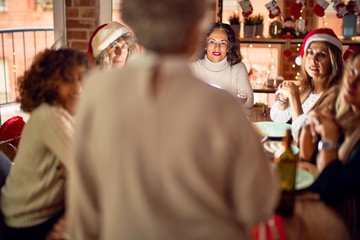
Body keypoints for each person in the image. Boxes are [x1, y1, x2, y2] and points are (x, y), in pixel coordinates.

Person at [68, 0, 279, 239]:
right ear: (196, 33)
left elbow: (84, 203)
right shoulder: (221, 105)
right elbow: (258, 204)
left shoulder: (96, 93)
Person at [0, 48, 92, 240]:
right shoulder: (50, 115)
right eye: (67, 79)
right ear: (48, 85)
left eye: (81, 78)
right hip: (28, 219)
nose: (78, 87)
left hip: (45, 209)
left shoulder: (69, 115)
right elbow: (92, 171)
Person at [299, 51, 360, 239]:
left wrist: (329, 139)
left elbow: (331, 190)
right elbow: (308, 158)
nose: (352, 82)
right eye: (352, 72)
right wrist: (309, 128)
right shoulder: (347, 118)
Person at [270, 28, 344, 143]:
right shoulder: (306, 86)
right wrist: (283, 100)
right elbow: (278, 119)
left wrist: (294, 98)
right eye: (310, 52)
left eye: (322, 54)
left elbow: (305, 138)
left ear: (333, 61)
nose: (313, 59)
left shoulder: (335, 96)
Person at [191, 22, 254, 112]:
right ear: (205, 45)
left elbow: (249, 101)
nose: (217, 47)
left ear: (229, 47)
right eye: (212, 42)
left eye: (223, 43)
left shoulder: (238, 68)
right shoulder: (194, 67)